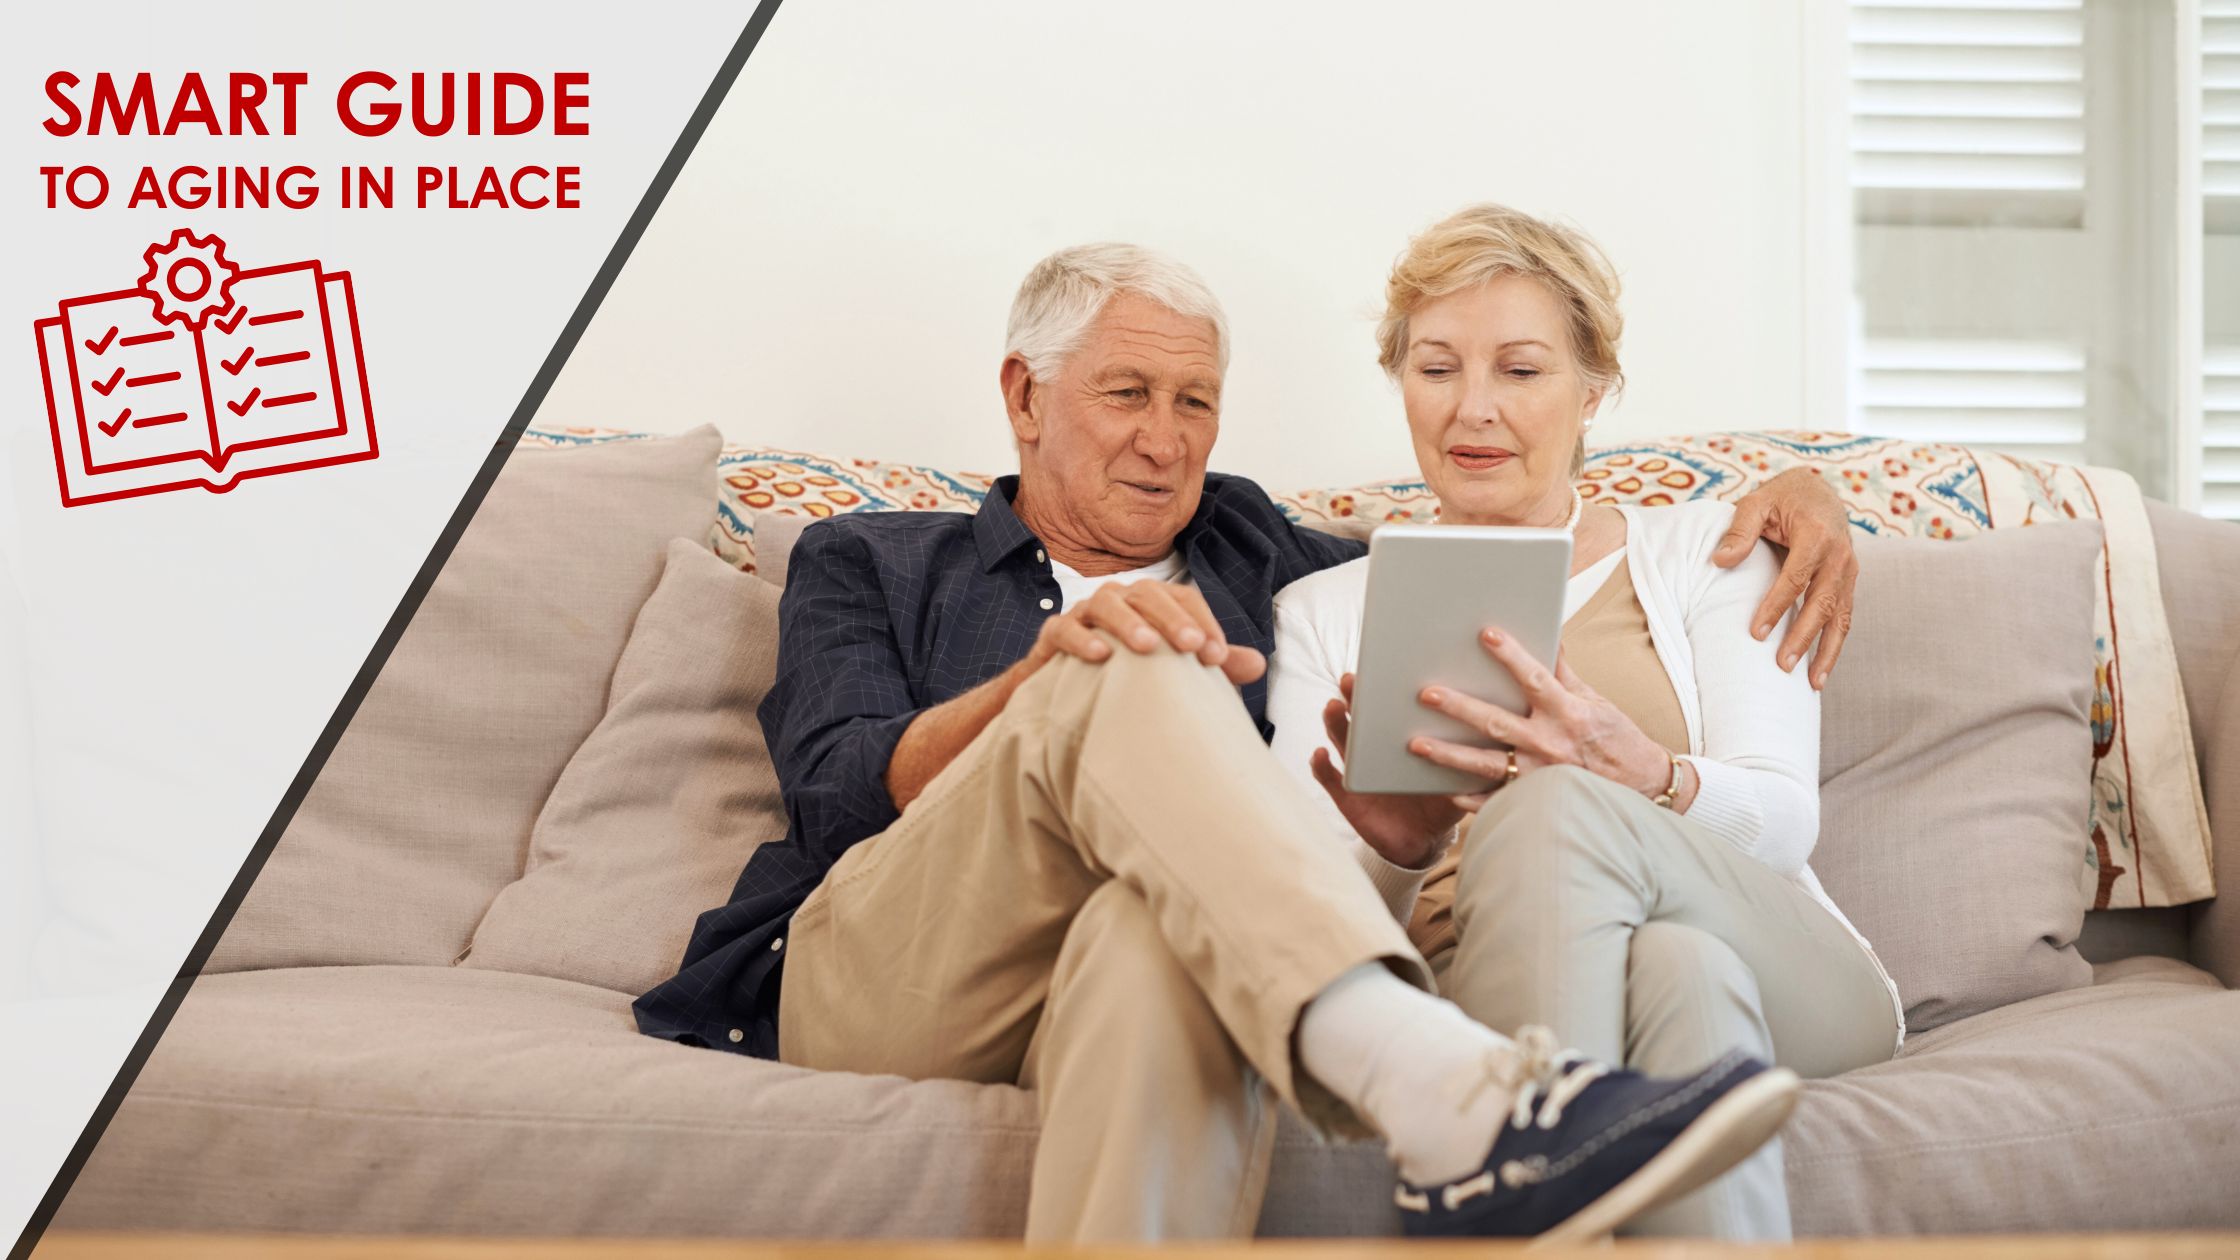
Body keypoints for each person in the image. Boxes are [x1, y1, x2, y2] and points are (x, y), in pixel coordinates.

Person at [635, 242, 1865, 1242]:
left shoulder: (1277, 567)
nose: (1163, 440)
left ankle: (1426, 1078)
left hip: (1142, 961)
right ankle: (1424, 1071)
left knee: (1151, 927)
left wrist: (1808, 499)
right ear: (1023, 396)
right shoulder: (875, 557)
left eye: (1194, 403)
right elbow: (842, 789)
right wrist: (1043, 680)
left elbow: (1485, 537)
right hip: (897, 960)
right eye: (1125, 394)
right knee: (1126, 662)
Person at [1267, 204, 1905, 1241]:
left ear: (1592, 390)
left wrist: (1642, 769)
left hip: (1790, 965)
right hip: (1470, 990)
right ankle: (1548, 1121)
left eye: (1519, 371)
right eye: (1435, 369)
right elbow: (1305, 934)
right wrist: (1400, 854)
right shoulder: (1320, 613)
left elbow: (1785, 825)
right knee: (1678, 973)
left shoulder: (1714, 552)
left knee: (1558, 802)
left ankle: (1510, 1171)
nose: (1473, 409)